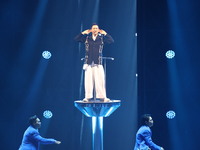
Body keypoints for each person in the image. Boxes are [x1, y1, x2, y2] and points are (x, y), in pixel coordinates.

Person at [75, 23, 114, 102]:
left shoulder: (101, 38)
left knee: (100, 80)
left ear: (98, 30)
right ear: (91, 30)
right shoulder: (87, 38)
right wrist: (83, 33)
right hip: (88, 62)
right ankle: (88, 97)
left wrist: (105, 33)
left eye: (96, 28)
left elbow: (111, 40)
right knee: (88, 81)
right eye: (93, 28)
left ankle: (102, 97)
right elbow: (76, 39)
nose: (95, 30)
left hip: (98, 62)